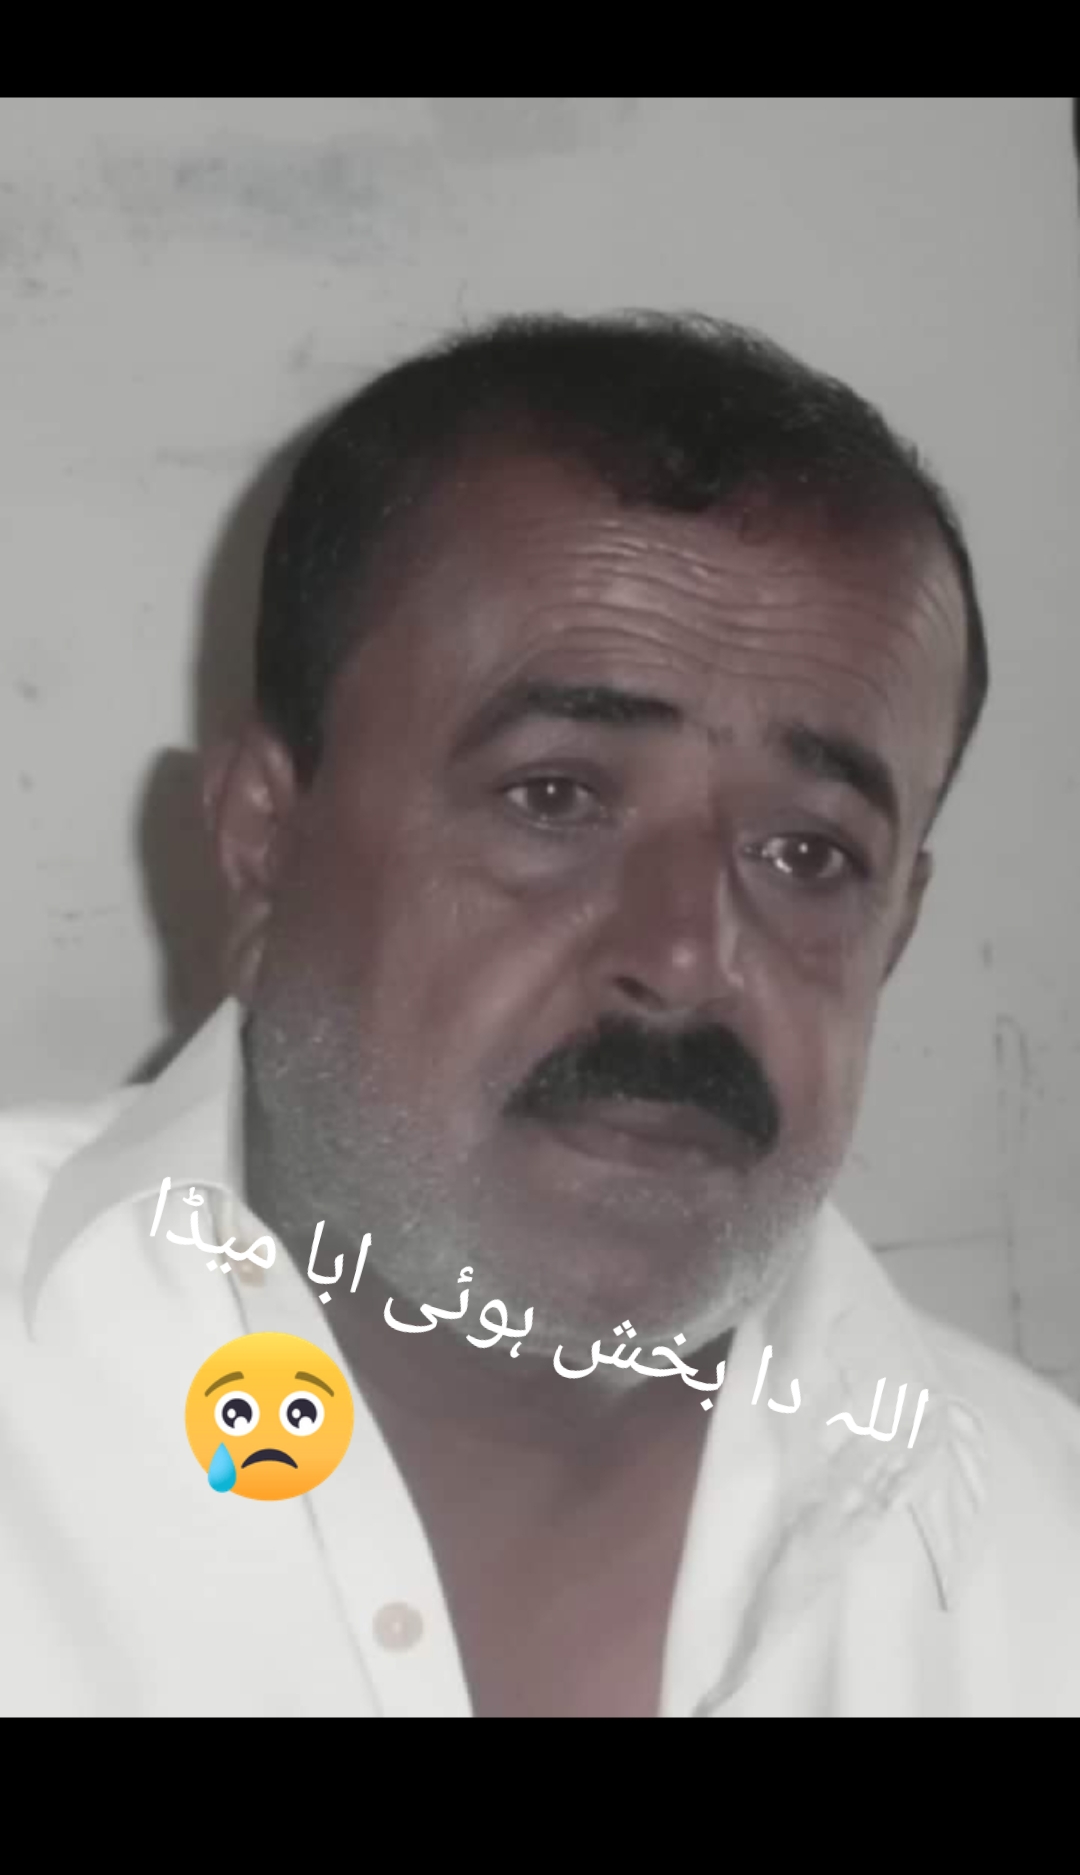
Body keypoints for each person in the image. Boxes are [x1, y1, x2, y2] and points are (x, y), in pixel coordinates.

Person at [3, 311, 1078, 1718]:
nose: (686, 960)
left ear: (898, 931)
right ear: (264, 840)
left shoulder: (1035, 1560)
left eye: (808, 853)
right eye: (555, 798)